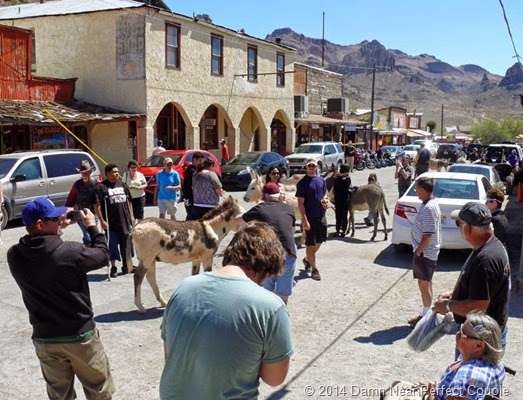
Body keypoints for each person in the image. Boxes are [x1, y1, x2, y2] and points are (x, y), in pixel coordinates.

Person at [159, 221, 293, 399]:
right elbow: (275, 378)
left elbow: (170, 355)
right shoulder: (271, 307)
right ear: (265, 268)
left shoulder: (183, 288)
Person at [7, 198, 115, 400]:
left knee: (59, 396)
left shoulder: (14, 255)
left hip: (45, 338)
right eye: (54, 219)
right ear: (40, 224)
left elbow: (41, 248)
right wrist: (92, 227)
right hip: (79, 337)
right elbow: (102, 255)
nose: (60, 221)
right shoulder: (70, 252)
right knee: (99, 391)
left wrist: (55, 228)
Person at [434, 202, 510, 352]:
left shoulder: (485, 259)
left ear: (467, 228)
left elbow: (478, 307)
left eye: (458, 223)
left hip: (480, 342)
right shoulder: (488, 247)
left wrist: (448, 306)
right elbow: (484, 289)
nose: (458, 227)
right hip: (481, 337)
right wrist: (453, 294)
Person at [426, 312, 505, 400]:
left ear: (478, 346)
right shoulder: (494, 363)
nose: (457, 334)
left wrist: (432, 395)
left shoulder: (467, 376)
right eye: (460, 329)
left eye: (463, 334)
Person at [240, 182, 297, 304]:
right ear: (279, 195)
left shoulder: (259, 209)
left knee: (267, 292)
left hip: (269, 254)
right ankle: (280, 318)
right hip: (289, 252)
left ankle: (268, 316)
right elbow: (292, 230)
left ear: (263, 196)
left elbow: (238, 221)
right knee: (283, 296)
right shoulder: (289, 208)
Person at [408, 176, 441, 328]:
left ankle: (427, 319)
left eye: (417, 189)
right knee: (427, 282)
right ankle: (426, 313)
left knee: (424, 283)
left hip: (425, 253)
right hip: (427, 252)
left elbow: (428, 233)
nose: (416, 191)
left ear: (423, 189)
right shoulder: (429, 203)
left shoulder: (429, 207)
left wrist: (419, 251)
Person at [94, 163, 135, 278]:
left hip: (125, 221)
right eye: (114, 172)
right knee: (112, 246)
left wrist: (132, 217)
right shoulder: (101, 187)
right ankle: (114, 267)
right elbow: (96, 206)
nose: (117, 174)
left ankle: (127, 265)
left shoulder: (123, 185)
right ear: (108, 174)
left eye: (118, 172)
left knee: (126, 244)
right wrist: (102, 221)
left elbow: (129, 201)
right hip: (111, 223)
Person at [296, 158, 328, 281]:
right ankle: (314, 269)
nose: (311, 167)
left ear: (316, 167)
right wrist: (304, 220)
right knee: (310, 244)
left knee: (319, 242)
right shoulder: (302, 183)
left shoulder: (321, 181)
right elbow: (300, 204)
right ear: (306, 167)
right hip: (309, 217)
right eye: (309, 165)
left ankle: (307, 259)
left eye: (313, 165)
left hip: (321, 216)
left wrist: (326, 201)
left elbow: (325, 194)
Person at [65, 160, 98, 245]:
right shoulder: (77, 184)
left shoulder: (96, 183)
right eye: (82, 173)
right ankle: (89, 249)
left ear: (90, 172)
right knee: (86, 235)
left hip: (93, 214)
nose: (84, 174)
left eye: (86, 172)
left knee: (91, 234)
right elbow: (71, 199)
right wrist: (66, 211)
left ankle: (91, 251)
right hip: (81, 214)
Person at [182, 151, 204, 221]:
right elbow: (194, 185)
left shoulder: (196, 170)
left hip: (193, 198)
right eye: (200, 161)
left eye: (202, 161)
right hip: (189, 197)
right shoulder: (191, 170)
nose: (201, 163)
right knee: (192, 216)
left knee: (193, 216)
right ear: (194, 160)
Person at [332, 164, 351, 237]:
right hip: (345, 199)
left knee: (338, 214)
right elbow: (348, 188)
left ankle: (337, 230)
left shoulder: (336, 178)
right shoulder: (348, 178)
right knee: (344, 215)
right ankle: (343, 230)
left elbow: (334, 189)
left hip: (338, 199)